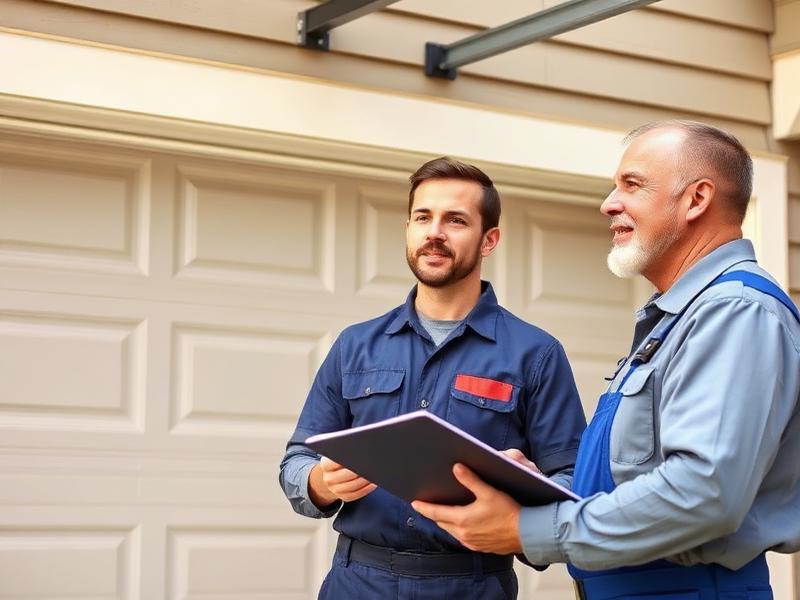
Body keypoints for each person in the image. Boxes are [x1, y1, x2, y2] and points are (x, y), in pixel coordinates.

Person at [413, 121, 800, 599]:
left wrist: (528, 529)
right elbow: (639, 474)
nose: (608, 203)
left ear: (697, 200)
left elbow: (704, 494)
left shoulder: (735, 311)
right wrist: (535, 490)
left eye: (631, 185)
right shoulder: (679, 318)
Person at [279, 157, 587, 599]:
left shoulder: (536, 354)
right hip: (357, 582)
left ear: (489, 240)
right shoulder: (355, 345)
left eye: (456, 220)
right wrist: (321, 483)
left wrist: (527, 496)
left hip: (473, 584)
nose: (435, 232)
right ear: (408, 228)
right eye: (423, 217)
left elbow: (573, 479)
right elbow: (296, 461)